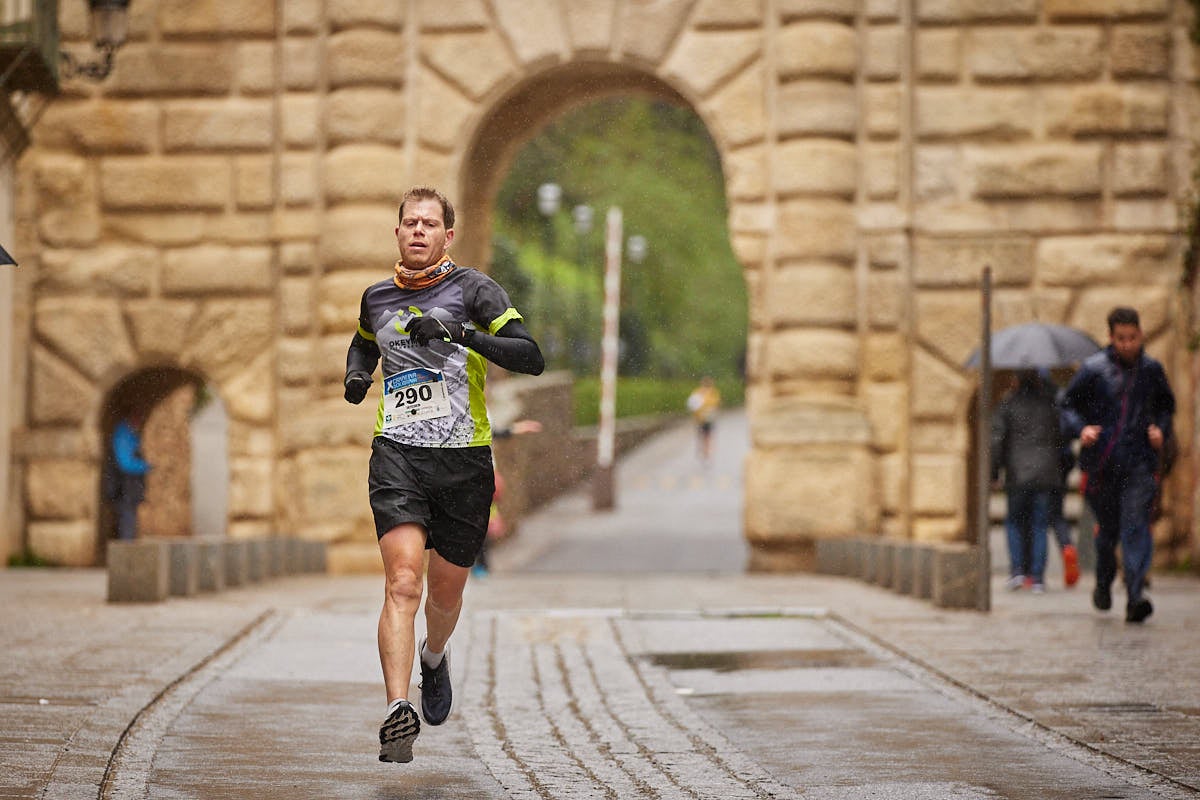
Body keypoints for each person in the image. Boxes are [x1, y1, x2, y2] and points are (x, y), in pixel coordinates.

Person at [342, 186, 544, 764]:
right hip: (398, 453)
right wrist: (357, 377)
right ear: (399, 231)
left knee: (445, 593)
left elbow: (529, 355)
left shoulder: (474, 290)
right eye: (410, 223)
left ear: (447, 235)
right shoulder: (376, 297)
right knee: (403, 580)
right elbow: (362, 347)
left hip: (463, 461)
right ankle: (396, 711)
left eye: (431, 224)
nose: (419, 231)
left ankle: (434, 656)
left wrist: (460, 334)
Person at [1061, 307, 1175, 624]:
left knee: (1136, 526)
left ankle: (1136, 595)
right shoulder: (1093, 370)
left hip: (1139, 462)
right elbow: (1068, 406)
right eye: (1122, 338)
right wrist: (1081, 429)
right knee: (1108, 534)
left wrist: (1160, 430)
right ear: (1111, 337)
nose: (1128, 344)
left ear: (1140, 335)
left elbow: (1166, 406)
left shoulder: (1152, 370)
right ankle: (1103, 580)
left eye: (1133, 338)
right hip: (1102, 465)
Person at [991, 370, 1065, 593]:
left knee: (1014, 522)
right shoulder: (1050, 405)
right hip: (1045, 474)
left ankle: (1017, 572)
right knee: (1039, 525)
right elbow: (1062, 436)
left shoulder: (1008, 404)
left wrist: (994, 472)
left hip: (1017, 474)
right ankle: (1038, 578)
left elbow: (996, 440)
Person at [473, 417, 542, 578]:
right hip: (471, 474)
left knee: (482, 521)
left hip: (486, 474)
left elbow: (490, 432)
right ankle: (478, 563)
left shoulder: (482, 408)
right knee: (476, 522)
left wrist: (515, 429)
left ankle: (481, 563)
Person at [106, 411, 151, 541]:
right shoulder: (123, 435)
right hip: (125, 487)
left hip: (128, 488)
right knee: (127, 517)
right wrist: (145, 466)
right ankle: (126, 548)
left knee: (128, 517)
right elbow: (125, 463)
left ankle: (127, 546)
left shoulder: (128, 435)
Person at [686, 376, 720, 461]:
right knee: (707, 436)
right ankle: (706, 451)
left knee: (703, 435)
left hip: (701, 418)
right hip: (707, 418)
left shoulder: (699, 392)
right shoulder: (712, 392)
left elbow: (691, 404)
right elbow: (716, 404)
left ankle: (704, 451)